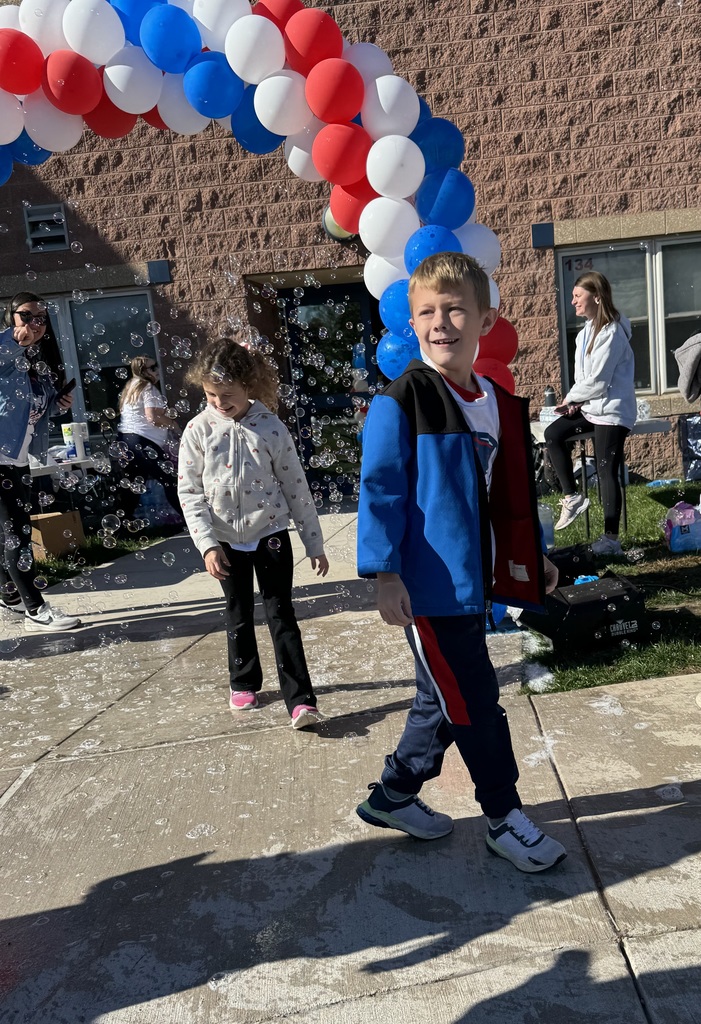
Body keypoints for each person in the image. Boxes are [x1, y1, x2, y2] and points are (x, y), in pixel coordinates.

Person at [356, 252, 565, 873]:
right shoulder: (403, 401)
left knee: (439, 699)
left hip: (472, 586)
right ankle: (503, 815)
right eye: (427, 312)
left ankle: (393, 796)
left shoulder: (496, 402)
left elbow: (505, 499)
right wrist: (386, 573)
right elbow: (381, 491)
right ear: (411, 323)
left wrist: (534, 559)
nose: (440, 322)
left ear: (485, 319)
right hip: (428, 588)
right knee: (474, 700)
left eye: (455, 310)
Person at [178, 337, 329, 730]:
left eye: (227, 394)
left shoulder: (271, 428)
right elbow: (189, 491)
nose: (218, 403)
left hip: (272, 533)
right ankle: (243, 680)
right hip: (225, 540)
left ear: (250, 387)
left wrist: (314, 541)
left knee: (282, 614)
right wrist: (207, 544)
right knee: (238, 613)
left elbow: (295, 486)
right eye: (210, 395)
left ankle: (301, 700)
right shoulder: (197, 430)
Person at [0, 292, 81, 632]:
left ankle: (10, 594)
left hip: (16, 460)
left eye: (41, 318)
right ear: (10, 317)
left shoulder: (36, 360)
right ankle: (36, 609)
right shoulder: (7, 351)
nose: (36, 323)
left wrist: (57, 405)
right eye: (27, 316)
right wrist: (12, 340)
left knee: (8, 533)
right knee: (16, 535)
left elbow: (32, 412)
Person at [544, 272, 636, 556]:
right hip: (591, 407)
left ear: (596, 297)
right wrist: (574, 403)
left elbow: (599, 380)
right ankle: (572, 496)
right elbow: (585, 379)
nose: (573, 302)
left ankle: (611, 540)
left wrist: (572, 397)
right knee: (553, 433)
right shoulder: (584, 334)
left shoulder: (612, 332)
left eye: (577, 296)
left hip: (611, 411)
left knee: (607, 469)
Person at [117, 355, 182, 522]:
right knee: (170, 481)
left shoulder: (131, 387)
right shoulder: (147, 388)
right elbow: (152, 417)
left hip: (126, 442)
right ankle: (192, 520)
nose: (157, 370)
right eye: (153, 368)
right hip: (143, 442)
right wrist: (174, 424)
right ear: (143, 372)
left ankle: (122, 526)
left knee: (133, 486)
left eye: (157, 366)